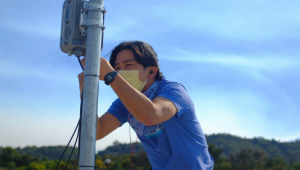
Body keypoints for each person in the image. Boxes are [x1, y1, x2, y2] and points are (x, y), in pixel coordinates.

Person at [78, 41, 214, 170]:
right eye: (117, 68)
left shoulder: (174, 91)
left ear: (151, 71)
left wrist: (110, 75)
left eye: (128, 65)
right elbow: (97, 132)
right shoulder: (123, 103)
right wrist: (86, 92)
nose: (120, 73)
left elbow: (151, 115)